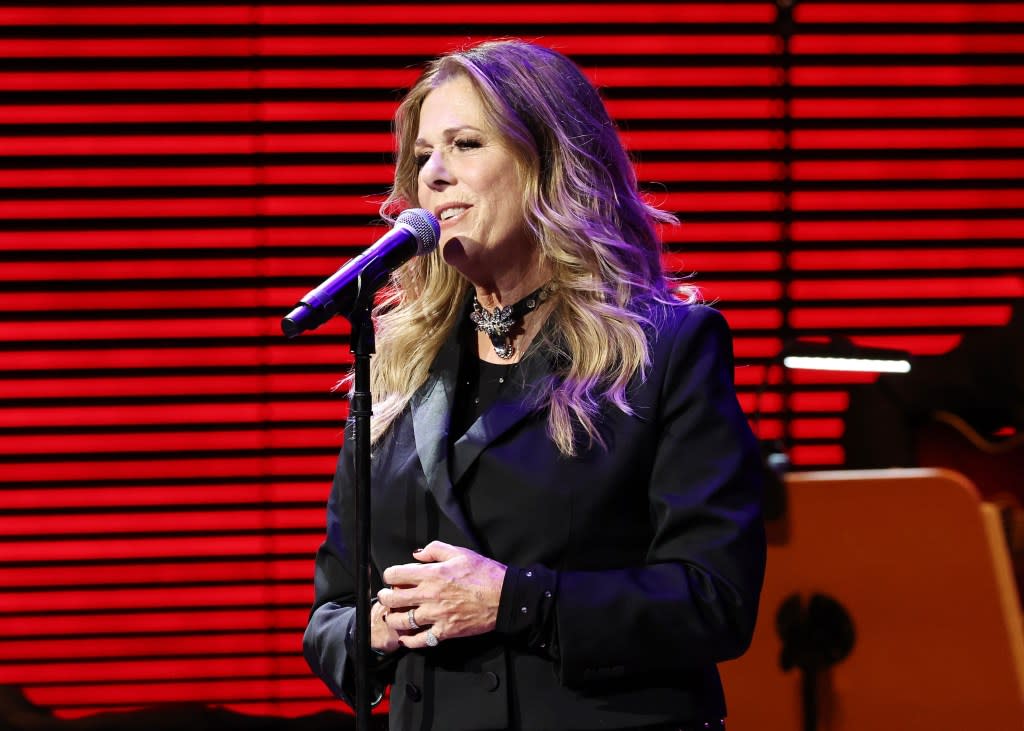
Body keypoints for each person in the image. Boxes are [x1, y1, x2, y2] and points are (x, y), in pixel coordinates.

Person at [303, 39, 766, 731]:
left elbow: (714, 599)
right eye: (423, 154)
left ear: (549, 165)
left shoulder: (664, 348)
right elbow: (330, 613)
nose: (433, 174)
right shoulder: (395, 366)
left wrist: (515, 599)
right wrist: (372, 630)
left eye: (464, 144)